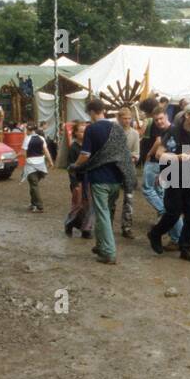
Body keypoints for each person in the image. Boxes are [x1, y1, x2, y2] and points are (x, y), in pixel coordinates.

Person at [75, 98, 136, 265]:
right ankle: (101, 246)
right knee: (106, 213)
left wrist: (75, 165)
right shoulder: (117, 128)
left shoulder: (91, 129)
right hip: (116, 179)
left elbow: (85, 155)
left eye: (89, 113)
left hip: (99, 179)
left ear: (93, 112)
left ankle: (109, 253)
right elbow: (123, 155)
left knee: (102, 215)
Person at [148, 103, 190, 263]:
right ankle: (155, 233)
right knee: (173, 213)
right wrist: (178, 157)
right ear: (186, 116)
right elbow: (160, 154)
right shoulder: (174, 131)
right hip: (174, 175)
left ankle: (185, 248)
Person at [141, 110, 181, 248]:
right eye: (156, 120)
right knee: (172, 207)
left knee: (172, 209)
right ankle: (176, 238)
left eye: (161, 119)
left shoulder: (174, 130)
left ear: (167, 117)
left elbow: (177, 153)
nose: (159, 122)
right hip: (169, 171)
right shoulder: (165, 131)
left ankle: (178, 238)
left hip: (177, 173)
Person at [117, 107, 141, 238]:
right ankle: (107, 224)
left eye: (129, 118)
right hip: (114, 170)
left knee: (129, 199)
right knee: (112, 198)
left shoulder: (135, 134)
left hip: (129, 169)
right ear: (119, 118)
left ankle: (126, 227)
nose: (127, 121)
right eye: (124, 118)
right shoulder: (113, 132)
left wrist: (127, 157)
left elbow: (136, 153)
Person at [22, 123, 52, 212]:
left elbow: (24, 153)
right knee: (33, 185)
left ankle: (39, 205)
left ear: (28, 130)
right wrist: (50, 161)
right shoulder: (41, 138)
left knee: (34, 185)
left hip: (31, 165)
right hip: (41, 166)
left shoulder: (27, 139)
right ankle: (33, 203)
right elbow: (46, 151)